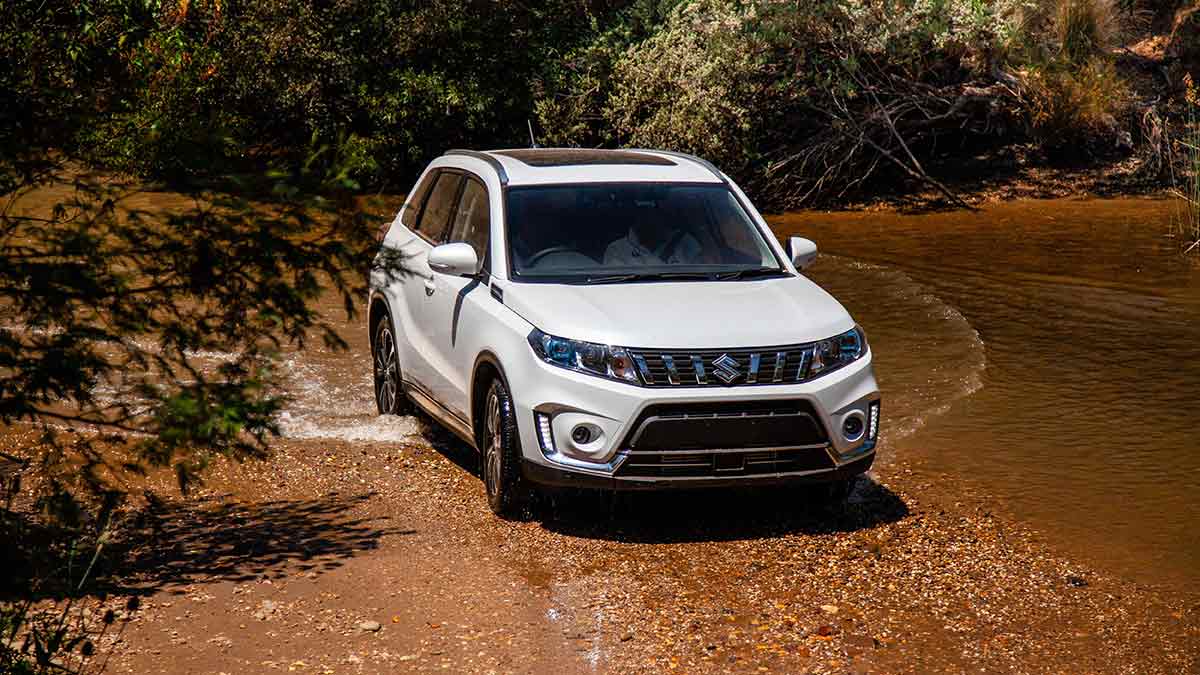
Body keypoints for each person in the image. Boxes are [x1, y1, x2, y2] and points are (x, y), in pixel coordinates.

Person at [603, 206, 702, 266]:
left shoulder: (686, 242)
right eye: (644, 216)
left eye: (655, 215)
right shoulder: (617, 249)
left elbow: (704, 272)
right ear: (636, 219)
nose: (650, 220)